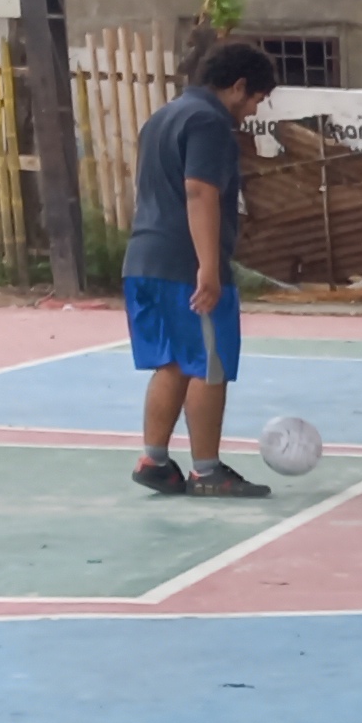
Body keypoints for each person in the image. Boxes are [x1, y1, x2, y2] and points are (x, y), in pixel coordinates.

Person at [125, 39, 278, 499]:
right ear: (238, 86)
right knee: (209, 365)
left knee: (172, 362)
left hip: (144, 258)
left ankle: (154, 460)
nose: (253, 111)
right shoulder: (210, 122)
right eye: (256, 99)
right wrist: (208, 268)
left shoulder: (162, 117)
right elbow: (199, 191)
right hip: (186, 263)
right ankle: (206, 471)